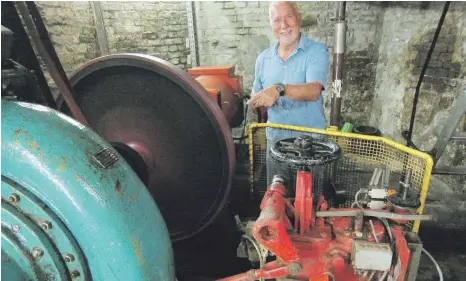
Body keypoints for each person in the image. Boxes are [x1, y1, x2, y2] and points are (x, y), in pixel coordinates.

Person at [247, 1, 330, 195]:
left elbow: (313, 91)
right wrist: (256, 102)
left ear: (298, 17)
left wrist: (279, 89)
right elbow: (256, 96)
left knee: (311, 203)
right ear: (271, 25)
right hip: (276, 142)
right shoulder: (263, 59)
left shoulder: (316, 51)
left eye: (288, 17)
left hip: (311, 143)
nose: (283, 25)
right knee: (277, 198)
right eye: (277, 20)